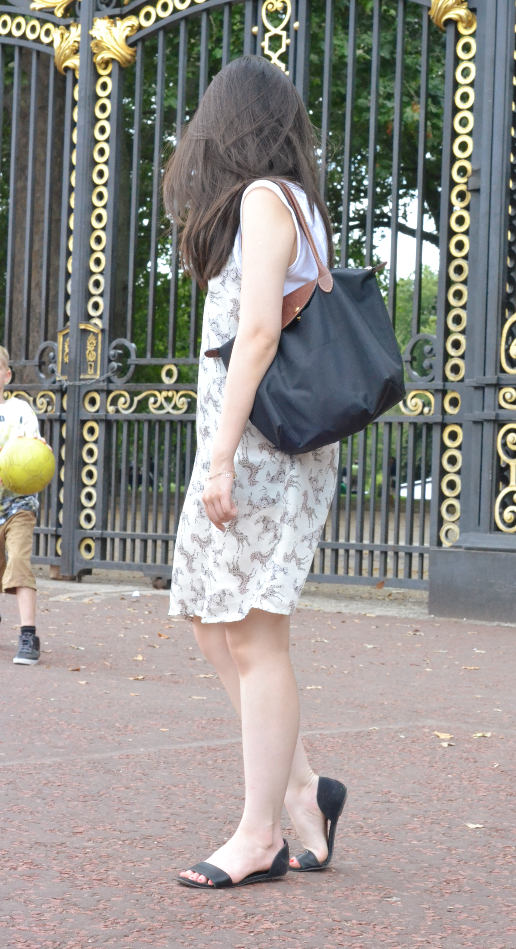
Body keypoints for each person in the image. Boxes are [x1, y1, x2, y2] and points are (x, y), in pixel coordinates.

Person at [164, 55, 347, 891]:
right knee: (214, 622)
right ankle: (304, 790)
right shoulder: (275, 202)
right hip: (243, 444)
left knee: (255, 633)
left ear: (227, 125)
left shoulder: (269, 200)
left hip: (263, 450)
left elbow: (261, 333)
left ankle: (260, 832)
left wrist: (221, 455)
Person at [0, 346, 44, 665]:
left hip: (19, 503)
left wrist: (39, 448)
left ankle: (28, 635)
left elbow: (33, 447)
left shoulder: (20, 410)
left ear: (6, 375)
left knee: (18, 559)